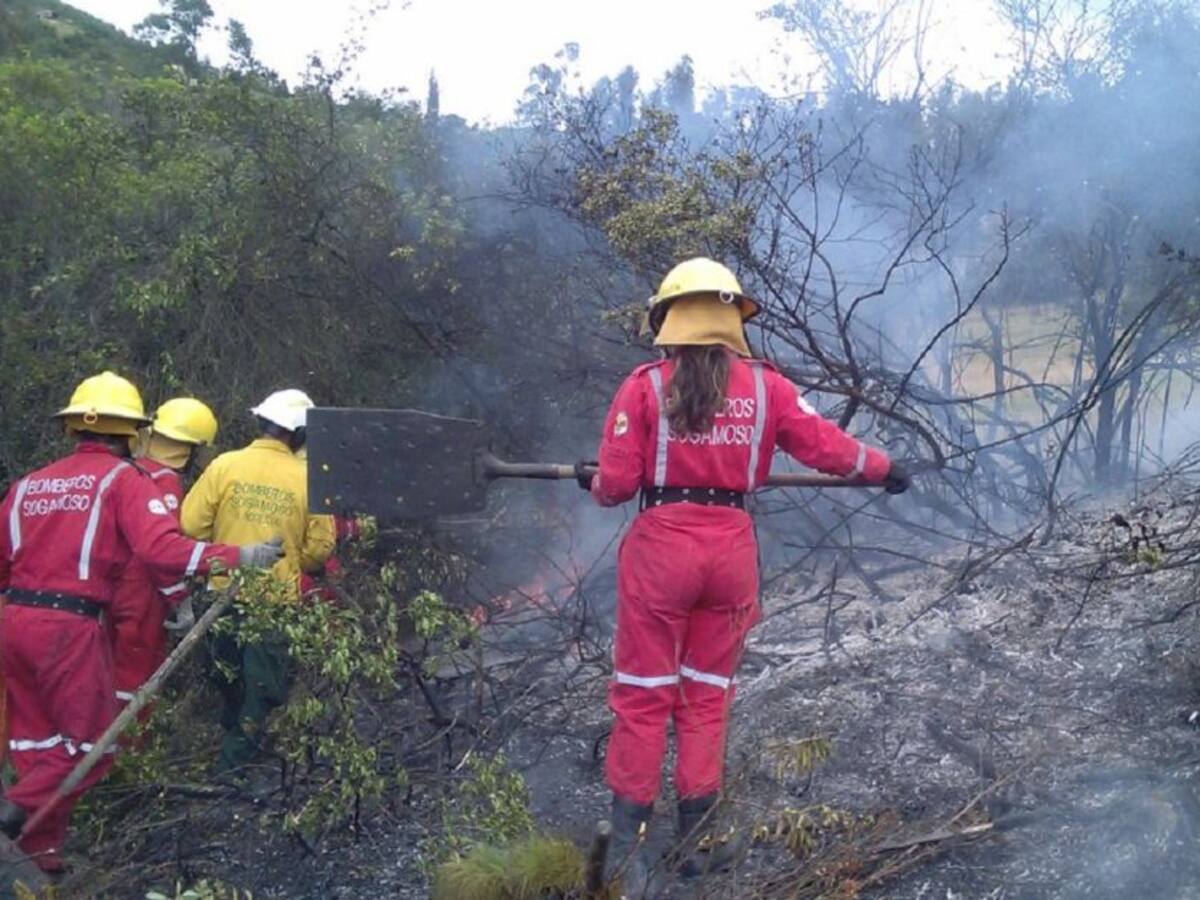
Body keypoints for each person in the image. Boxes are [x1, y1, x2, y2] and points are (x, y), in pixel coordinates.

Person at [577, 259, 909, 894]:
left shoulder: (644, 387)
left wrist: (595, 479)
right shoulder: (769, 388)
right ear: (733, 322)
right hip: (731, 554)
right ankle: (699, 846)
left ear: (669, 320)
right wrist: (885, 466)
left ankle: (628, 856)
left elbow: (616, 487)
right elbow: (829, 447)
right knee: (705, 696)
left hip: (662, 553)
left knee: (645, 698)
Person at [0, 372, 283, 874]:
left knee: (34, 741)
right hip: (69, 626)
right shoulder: (122, 481)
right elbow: (162, 550)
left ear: (74, 429)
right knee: (92, 744)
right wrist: (240, 555)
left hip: (13, 621)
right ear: (130, 432)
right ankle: (16, 812)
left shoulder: (28, 485)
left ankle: (41, 857)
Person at [180, 389, 334, 774]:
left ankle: (235, 751)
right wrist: (294, 555)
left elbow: (189, 526)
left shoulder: (224, 465)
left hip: (222, 598)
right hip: (274, 604)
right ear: (301, 434)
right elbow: (319, 550)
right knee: (262, 689)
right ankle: (233, 767)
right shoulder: (309, 478)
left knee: (227, 676)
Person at [108, 397, 219, 718]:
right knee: (134, 682)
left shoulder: (123, 470)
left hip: (101, 587)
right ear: (191, 448)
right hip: (140, 594)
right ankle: (128, 755)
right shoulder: (166, 481)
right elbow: (161, 552)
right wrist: (179, 599)